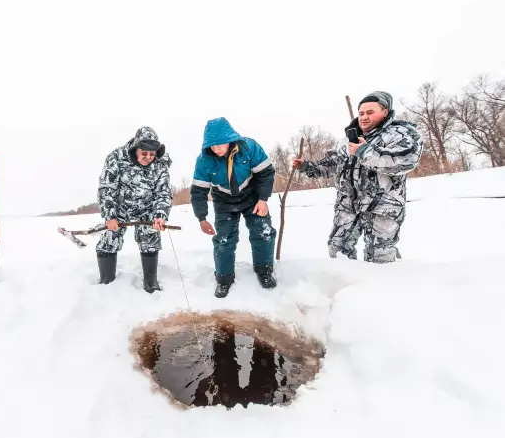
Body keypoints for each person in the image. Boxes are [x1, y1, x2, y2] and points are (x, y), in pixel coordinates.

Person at [293, 92, 423, 263]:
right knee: (338, 250)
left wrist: (364, 152)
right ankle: (346, 280)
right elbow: (333, 163)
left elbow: (405, 161)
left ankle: (381, 281)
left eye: (370, 112)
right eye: (361, 113)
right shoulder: (348, 139)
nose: (364, 117)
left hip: (383, 206)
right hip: (347, 205)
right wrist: (308, 167)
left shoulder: (401, 134)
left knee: (379, 257)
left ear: (385, 112)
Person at [191, 117, 277, 298]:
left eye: (219, 145)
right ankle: (224, 279)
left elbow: (266, 173)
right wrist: (202, 218)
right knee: (224, 240)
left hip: (251, 195)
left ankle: (264, 271)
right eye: (212, 146)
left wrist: (263, 199)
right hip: (223, 200)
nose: (216, 149)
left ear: (229, 139)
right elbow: (198, 191)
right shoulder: (204, 160)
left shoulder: (248, 148)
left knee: (263, 231)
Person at [96, 126, 172, 291]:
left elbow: (163, 193)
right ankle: (106, 280)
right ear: (135, 148)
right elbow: (106, 189)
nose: (148, 157)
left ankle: (150, 281)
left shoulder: (160, 163)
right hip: (120, 207)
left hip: (147, 208)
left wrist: (160, 215)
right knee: (110, 238)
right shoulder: (116, 158)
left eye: (152, 154)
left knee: (150, 237)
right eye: (144, 153)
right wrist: (110, 215)